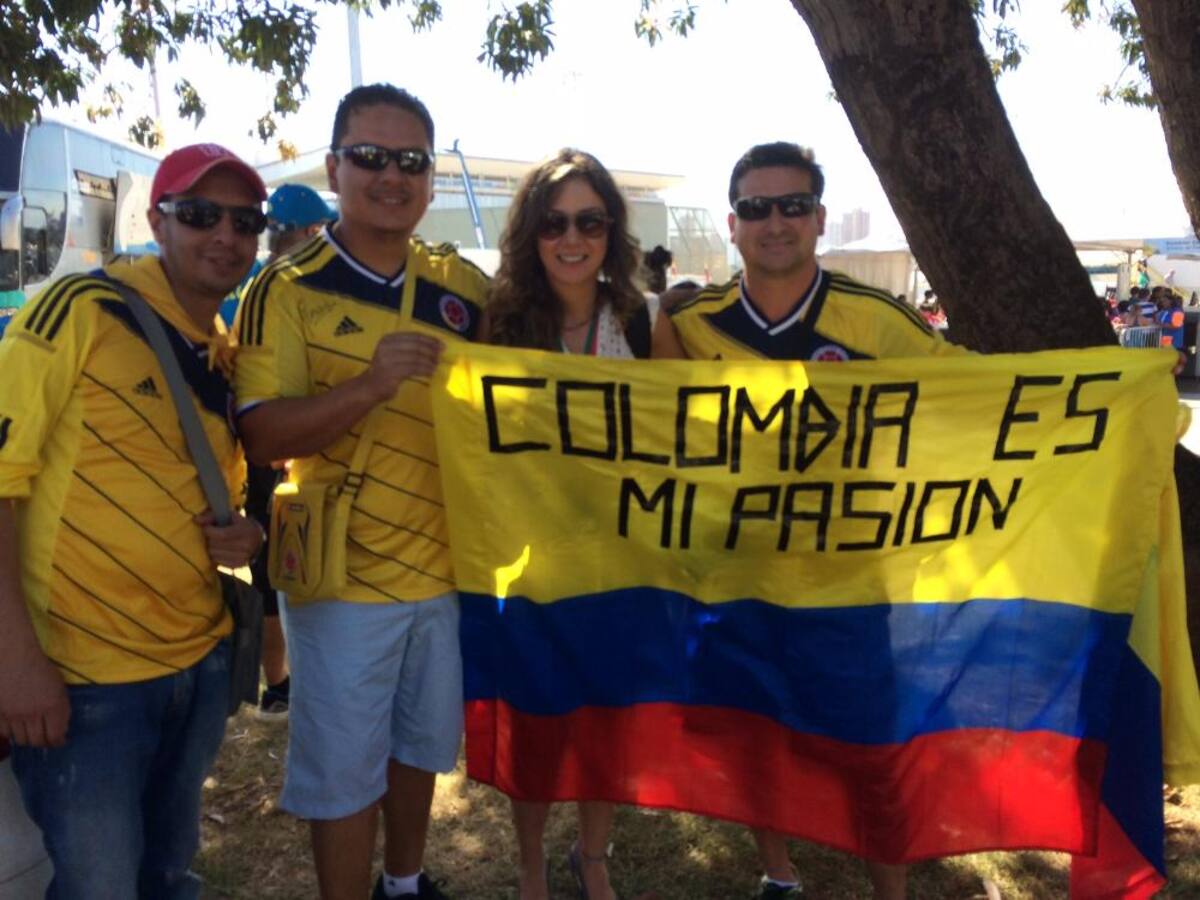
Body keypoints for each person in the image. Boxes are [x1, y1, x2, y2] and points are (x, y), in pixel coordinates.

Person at [653, 141, 965, 900]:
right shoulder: (693, 321)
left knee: (869, 751)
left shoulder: (877, 320)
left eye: (793, 205)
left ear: (819, 218)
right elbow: (644, 411)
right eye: (756, 208)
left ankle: (889, 893)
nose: (775, 222)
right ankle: (778, 875)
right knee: (756, 739)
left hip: (844, 584)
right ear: (732, 224)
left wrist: (1119, 398)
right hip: (737, 579)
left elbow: (974, 392)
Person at [234, 84, 489, 900]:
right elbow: (261, 436)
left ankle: (404, 884)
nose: (392, 176)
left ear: (431, 179)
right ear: (335, 167)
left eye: (411, 160)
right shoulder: (287, 286)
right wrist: (369, 386)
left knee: (420, 749)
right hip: (342, 579)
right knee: (344, 771)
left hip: (445, 571)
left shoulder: (463, 287)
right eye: (371, 157)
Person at [0, 142, 266, 898]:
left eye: (244, 220)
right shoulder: (78, 311)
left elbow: (212, 495)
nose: (225, 235)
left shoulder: (221, 351)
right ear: (157, 220)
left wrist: (247, 534)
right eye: (200, 214)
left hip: (198, 663)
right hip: (85, 682)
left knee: (166, 874)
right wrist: (14, 662)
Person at [487, 147, 654, 900]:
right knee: (536, 725)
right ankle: (531, 865)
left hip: (620, 560)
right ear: (532, 233)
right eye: (554, 223)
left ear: (612, 229)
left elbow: (682, 429)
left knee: (604, 724)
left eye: (590, 220)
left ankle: (593, 858)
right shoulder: (502, 323)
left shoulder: (640, 320)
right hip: (532, 562)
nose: (572, 238)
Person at [243, 183, 335, 719]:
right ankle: (280, 686)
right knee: (283, 571)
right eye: (320, 230)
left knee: (276, 571)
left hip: (265, 449)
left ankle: (279, 684)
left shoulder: (250, 285)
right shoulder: (280, 289)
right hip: (275, 453)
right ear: (303, 232)